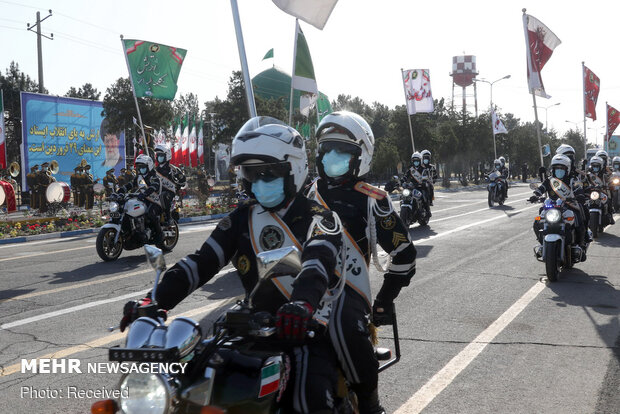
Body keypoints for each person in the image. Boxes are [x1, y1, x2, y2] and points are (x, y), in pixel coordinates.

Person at [120, 117, 344, 413]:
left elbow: (317, 262)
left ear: (294, 169)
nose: (259, 182)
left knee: (311, 398)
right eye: (251, 174)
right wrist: (154, 299)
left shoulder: (320, 217)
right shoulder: (241, 218)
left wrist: (302, 304)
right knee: (191, 383)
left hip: (309, 325)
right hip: (254, 325)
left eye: (268, 173)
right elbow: (202, 262)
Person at [310, 111, 417, 414]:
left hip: (347, 295)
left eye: (342, 151)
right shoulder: (307, 193)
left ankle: (370, 405)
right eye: (327, 149)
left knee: (349, 335)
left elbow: (405, 255)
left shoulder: (373, 199)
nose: (332, 156)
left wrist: (384, 299)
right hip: (301, 289)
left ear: (362, 156)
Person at [529, 154, 589, 258]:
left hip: (568, 206)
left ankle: (581, 244)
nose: (559, 170)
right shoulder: (549, 180)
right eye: (556, 168)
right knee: (537, 221)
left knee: (578, 218)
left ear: (567, 169)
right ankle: (542, 245)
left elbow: (578, 189)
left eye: (562, 168)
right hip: (551, 207)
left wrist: (579, 196)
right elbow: (541, 188)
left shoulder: (572, 180)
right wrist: (535, 195)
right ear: (553, 169)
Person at [555, 144, 592, 239]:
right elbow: (547, 185)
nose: (570, 159)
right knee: (541, 213)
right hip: (556, 202)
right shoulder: (555, 172)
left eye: (571, 157)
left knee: (584, 210)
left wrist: (585, 194)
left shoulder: (579, 173)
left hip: (573, 201)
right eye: (567, 156)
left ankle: (584, 235)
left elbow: (585, 185)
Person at [154, 144, 186, 222]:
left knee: (163, 196)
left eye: (161, 155)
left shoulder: (173, 169)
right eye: (158, 155)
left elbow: (182, 181)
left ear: (167, 156)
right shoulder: (155, 170)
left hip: (169, 193)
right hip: (156, 192)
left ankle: (168, 218)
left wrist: (177, 183)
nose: (159, 157)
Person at [587, 155, 615, 225]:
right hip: (591, 193)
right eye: (594, 166)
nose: (595, 167)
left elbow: (610, 180)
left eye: (597, 166)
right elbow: (583, 181)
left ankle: (610, 216)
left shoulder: (604, 175)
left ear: (601, 166)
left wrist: (610, 185)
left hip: (601, 192)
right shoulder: (588, 174)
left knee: (608, 201)